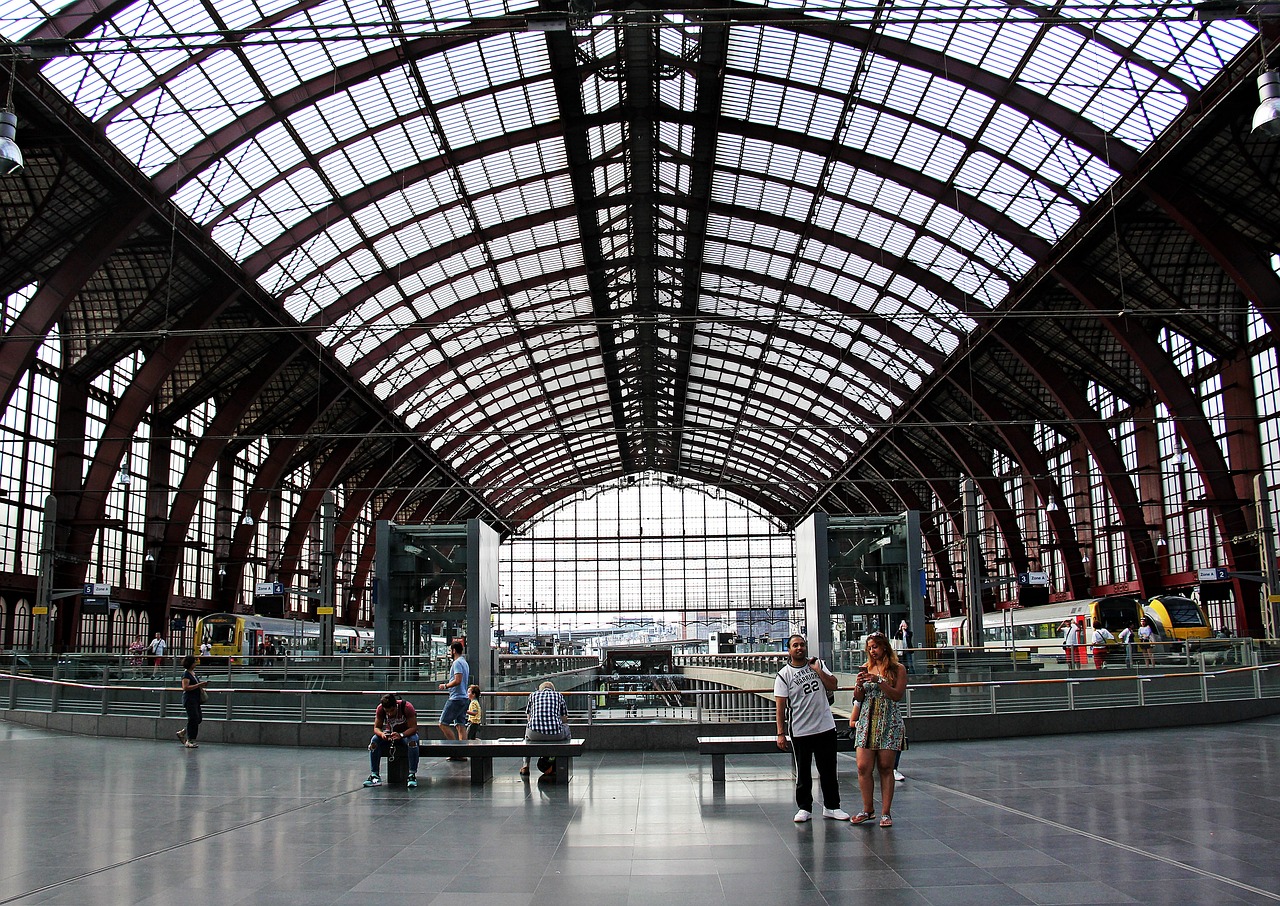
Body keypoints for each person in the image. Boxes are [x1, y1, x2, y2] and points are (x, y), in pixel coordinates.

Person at [774, 633, 849, 823]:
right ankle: (804, 807)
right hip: (801, 730)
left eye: (802, 644)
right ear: (789, 650)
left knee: (829, 770)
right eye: (795, 645)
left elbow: (834, 685)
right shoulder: (784, 675)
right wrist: (780, 733)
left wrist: (818, 670)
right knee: (803, 771)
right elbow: (780, 706)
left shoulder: (818, 664)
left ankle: (832, 806)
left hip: (825, 727)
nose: (799, 648)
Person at [850, 631, 907, 827]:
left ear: (884, 647)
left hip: (889, 721)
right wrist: (859, 685)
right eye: (869, 648)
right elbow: (858, 697)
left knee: (885, 767)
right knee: (863, 766)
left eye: (875, 647)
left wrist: (879, 681)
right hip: (867, 720)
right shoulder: (866, 667)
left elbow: (897, 695)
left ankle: (885, 812)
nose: (872, 651)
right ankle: (868, 809)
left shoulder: (898, 669)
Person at [363, 693, 420, 788]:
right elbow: (376, 728)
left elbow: (413, 728)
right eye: (387, 711)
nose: (389, 714)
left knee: (413, 742)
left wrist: (401, 735)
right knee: (374, 741)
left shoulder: (407, 707)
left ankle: (412, 775)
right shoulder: (380, 709)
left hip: (406, 734)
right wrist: (382, 734)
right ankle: (375, 775)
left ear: (396, 705)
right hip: (390, 733)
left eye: (392, 710)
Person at [521, 681, 570, 776]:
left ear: (540, 690)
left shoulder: (533, 695)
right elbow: (564, 719)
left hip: (534, 734)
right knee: (566, 727)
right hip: (556, 734)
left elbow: (529, 718)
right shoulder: (558, 696)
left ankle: (526, 765)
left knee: (527, 734)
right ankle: (565, 760)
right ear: (553, 690)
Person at [437, 640, 470, 744]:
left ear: (454, 651)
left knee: (443, 723)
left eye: (450, 650)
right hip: (464, 698)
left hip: (456, 698)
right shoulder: (464, 662)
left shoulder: (457, 663)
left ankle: (454, 747)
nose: (450, 653)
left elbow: (457, 680)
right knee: (460, 725)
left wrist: (445, 686)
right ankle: (463, 749)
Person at [177, 655, 206, 748]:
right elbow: (185, 687)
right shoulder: (186, 674)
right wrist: (199, 685)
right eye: (194, 662)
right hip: (189, 699)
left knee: (198, 718)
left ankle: (183, 732)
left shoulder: (193, 673)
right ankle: (190, 740)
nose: (195, 664)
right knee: (193, 718)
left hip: (195, 699)